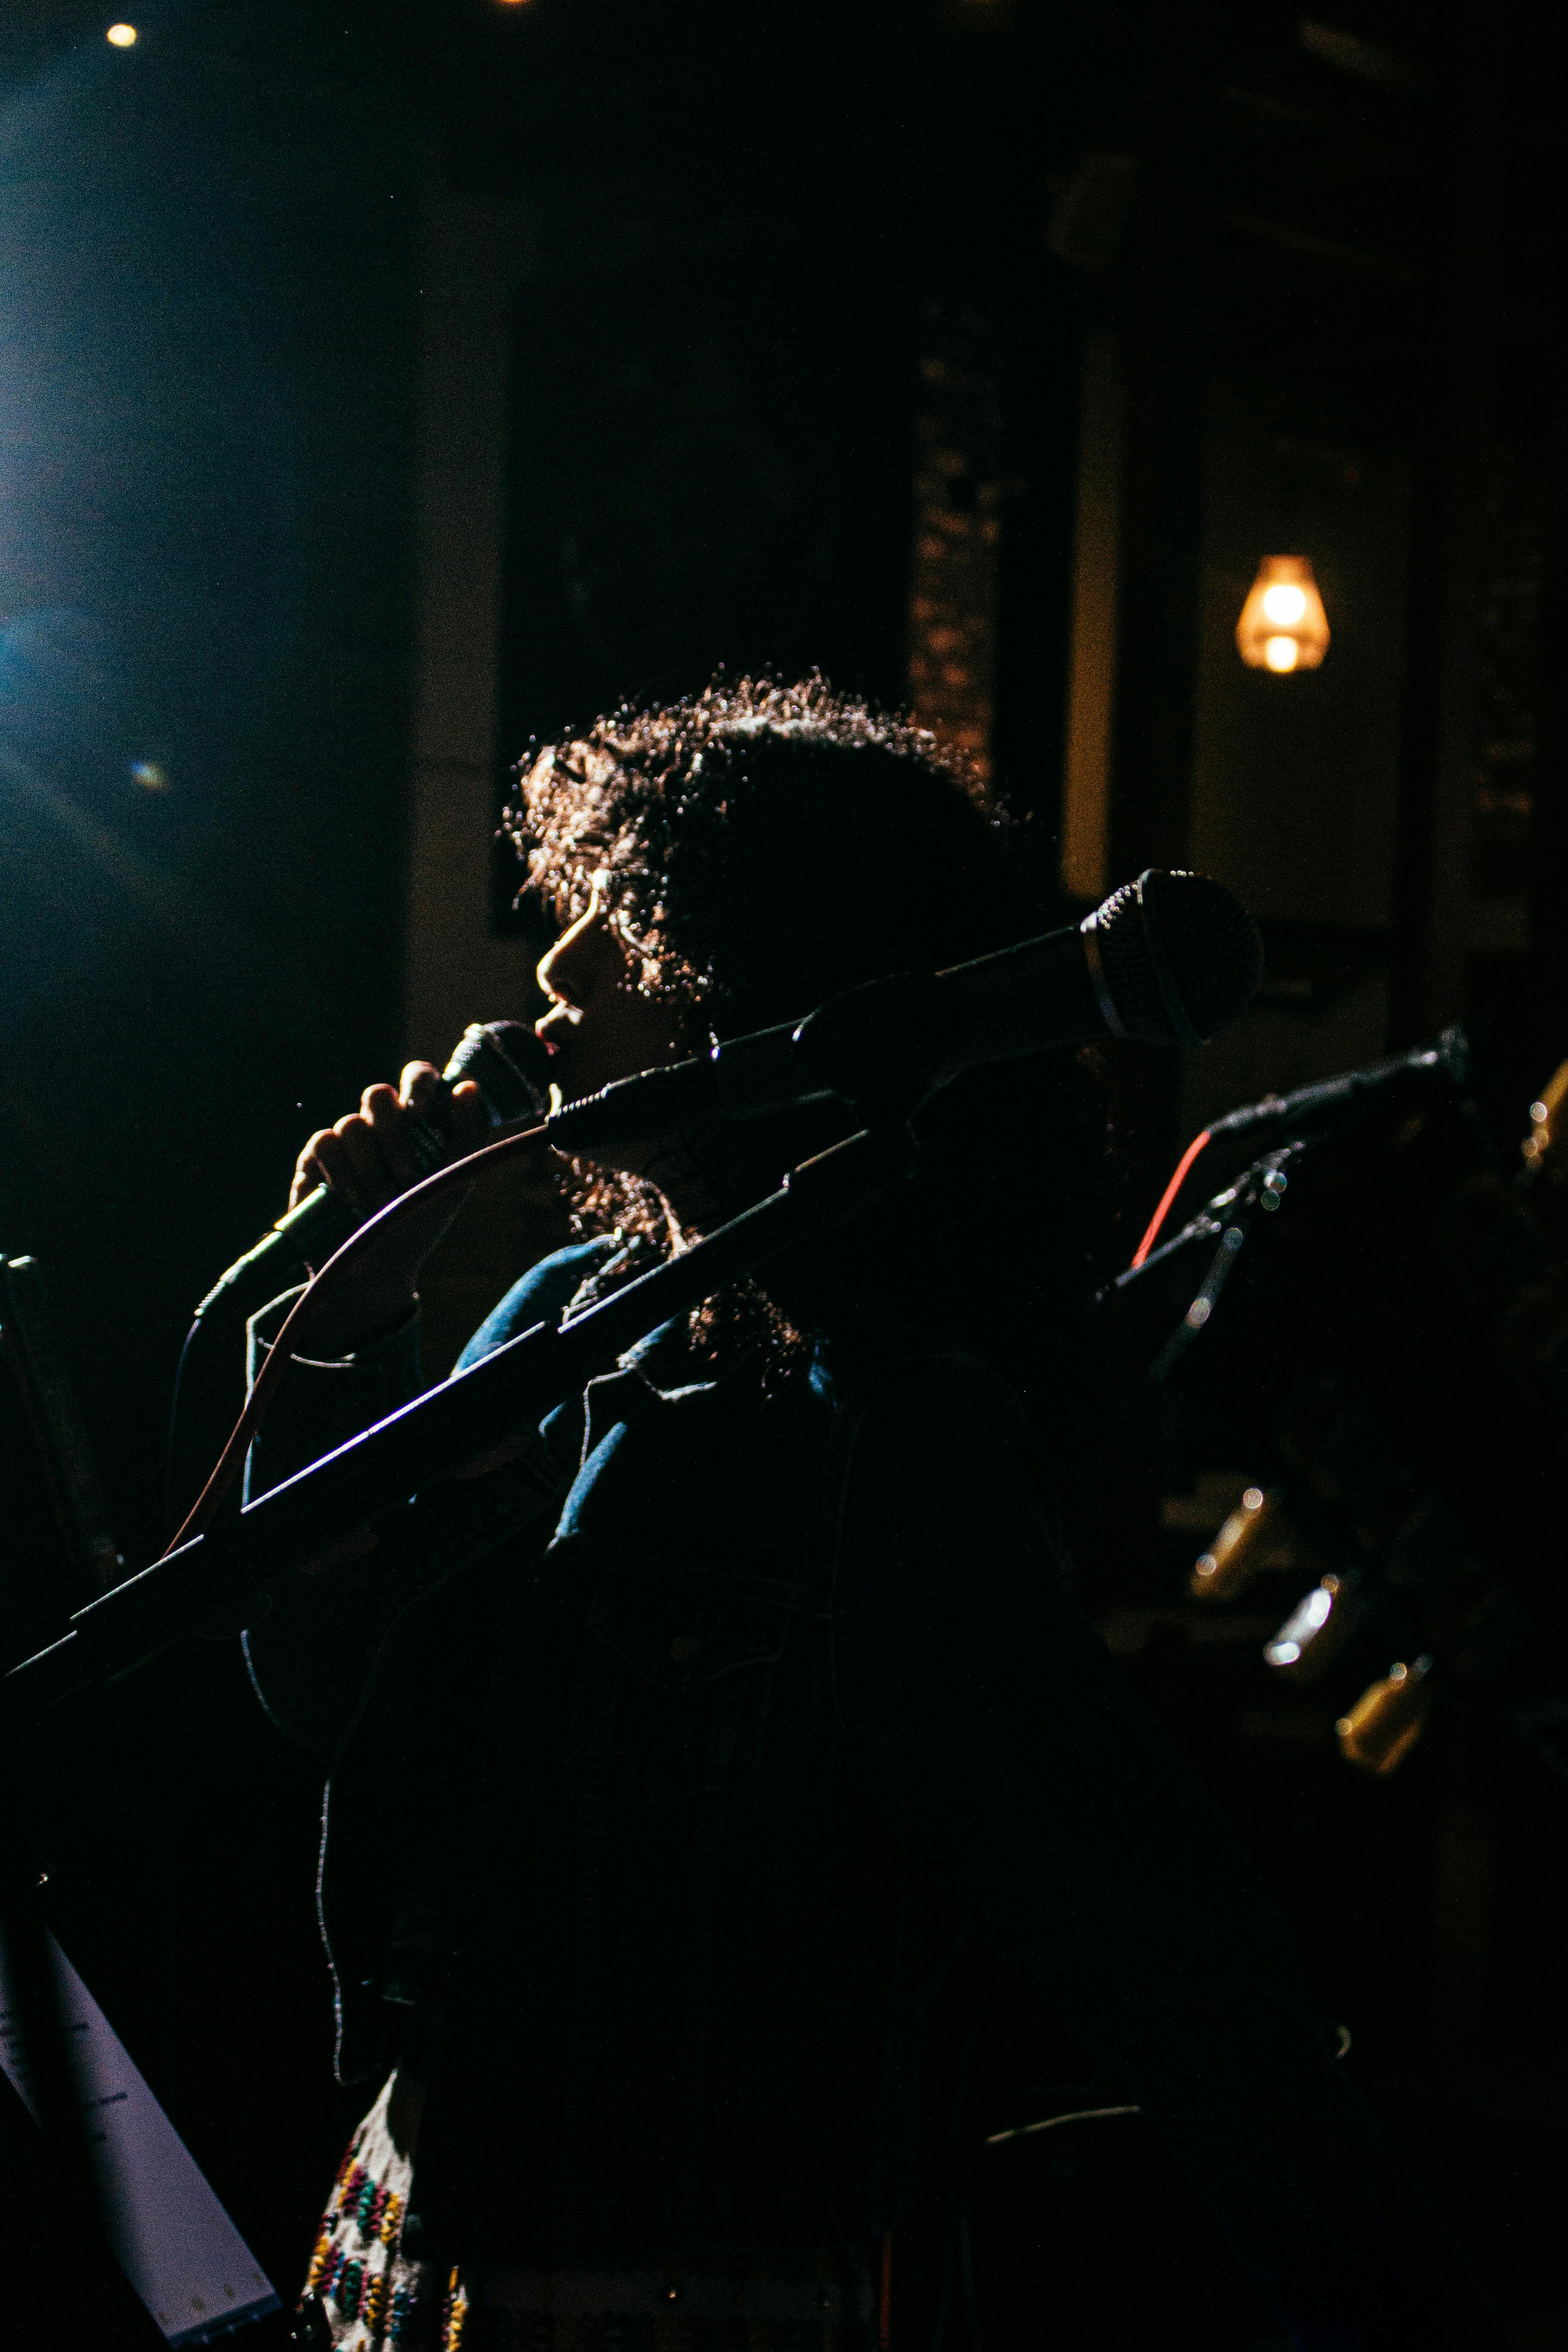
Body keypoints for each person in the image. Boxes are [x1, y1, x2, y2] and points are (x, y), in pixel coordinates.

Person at [241, 678, 1497, 2352]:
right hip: (413, 2238)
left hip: (673, 2287)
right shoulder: (557, 1304)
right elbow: (325, 1681)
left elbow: (1151, 1944)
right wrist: (344, 1322)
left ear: (751, 971)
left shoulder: (886, 1440)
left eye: (616, 916)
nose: (557, 969)